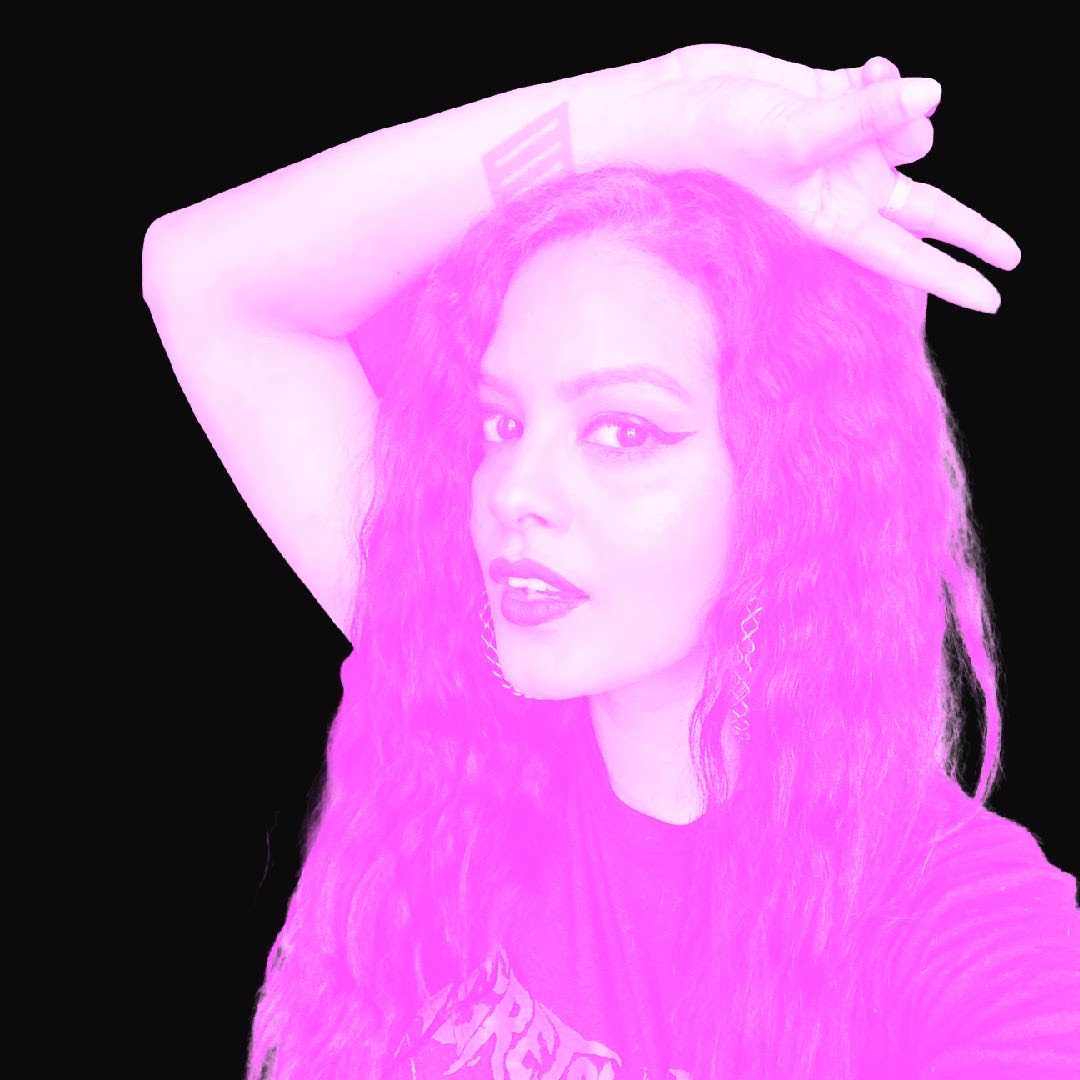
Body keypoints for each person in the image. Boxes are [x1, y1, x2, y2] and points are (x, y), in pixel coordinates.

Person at [143, 45, 1077, 1079]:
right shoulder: (460, 708)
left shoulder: (957, 927)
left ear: (795, 489)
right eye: (501, 423)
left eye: (623, 432)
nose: (513, 492)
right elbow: (202, 275)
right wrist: (653, 112)